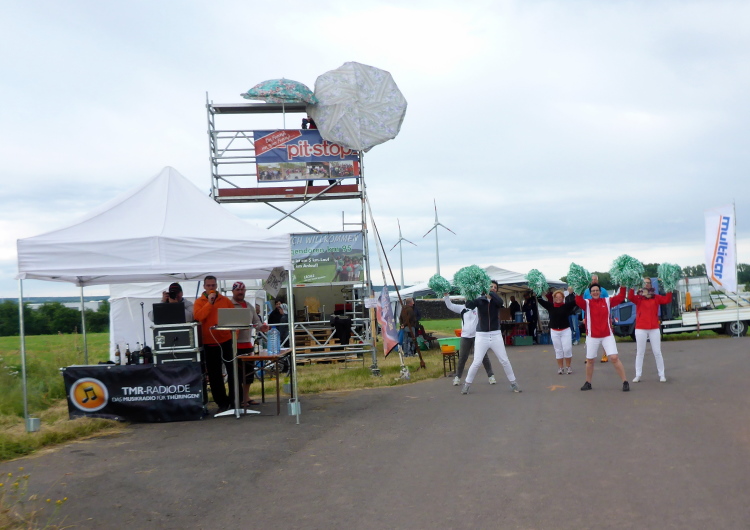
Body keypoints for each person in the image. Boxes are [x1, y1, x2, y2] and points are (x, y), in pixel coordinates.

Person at [461, 288, 521, 395]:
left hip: (495, 334)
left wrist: (491, 293)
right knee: (477, 361)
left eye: (494, 287)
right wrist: (470, 294)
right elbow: (469, 305)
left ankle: (513, 383)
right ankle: (467, 385)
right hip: (481, 335)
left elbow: (500, 303)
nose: (492, 288)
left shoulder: (496, 300)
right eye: (490, 286)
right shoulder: (480, 300)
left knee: (504, 360)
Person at [575, 284, 629, 392]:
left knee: (614, 358)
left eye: (597, 290)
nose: (595, 292)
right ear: (590, 293)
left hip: (607, 335)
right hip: (592, 336)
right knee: (590, 360)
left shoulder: (607, 301)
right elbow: (578, 300)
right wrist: (578, 287)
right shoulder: (587, 303)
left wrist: (623, 286)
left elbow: (621, 297)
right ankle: (588, 382)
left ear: (600, 292)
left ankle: (625, 382)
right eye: (593, 291)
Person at [193, 276, 235, 412]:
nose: (211, 288)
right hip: (209, 342)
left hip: (226, 340)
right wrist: (209, 303)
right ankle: (222, 403)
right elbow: (198, 317)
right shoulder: (199, 302)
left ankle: (235, 400)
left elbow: (235, 319)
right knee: (214, 374)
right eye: (208, 285)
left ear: (216, 286)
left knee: (232, 371)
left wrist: (234, 336)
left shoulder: (225, 300)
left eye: (213, 285)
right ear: (204, 287)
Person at [443, 293, 496, 386]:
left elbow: (485, 301)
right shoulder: (462, 308)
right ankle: (457, 377)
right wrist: (446, 296)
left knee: (483, 356)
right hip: (465, 336)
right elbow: (450, 306)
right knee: (462, 357)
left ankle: (491, 376)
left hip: (478, 336)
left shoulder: (478, 308)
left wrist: (477, 291)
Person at [230, 282, 269, 406]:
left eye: (242, 290)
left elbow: (256, 322)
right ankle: (237, 399)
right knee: (236, 374)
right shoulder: (229, 305)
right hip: (234, 345)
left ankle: (246, 397)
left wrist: (262, 327)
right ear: (233, 291)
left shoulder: (249, 306)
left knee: (249, 373)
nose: (240, 292)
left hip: (247, 344)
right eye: (238, 290)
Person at [629, 285, 672, 383]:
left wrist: (669, 287)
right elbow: (630, 297)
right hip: (641, 328)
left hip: (654, 328)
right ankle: (638, 375)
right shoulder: (639, 298)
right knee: (640, 352)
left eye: (648, 283)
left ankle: (662, 375)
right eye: (645, 283)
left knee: (657, 352)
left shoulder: (656, 297)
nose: (646, 285)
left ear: (651, 285)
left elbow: (667, 299)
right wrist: (632, 286)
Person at [537, 289, 578, 374]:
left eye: (560, 297)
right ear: (554, 298)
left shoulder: (566, 306)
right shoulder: (550, 306)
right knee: (558, 350)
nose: (558, 298)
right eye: (556, 297)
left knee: (567, 349)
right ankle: (560, 368)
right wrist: (538, 290)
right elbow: (540, 300)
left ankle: (568, 367)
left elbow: (576, 301)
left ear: (563, 298)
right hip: (554, 331)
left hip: (565, 330)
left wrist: (579, 292)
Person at [583, 274, 610, 362]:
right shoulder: (586, 291)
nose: (594, 281)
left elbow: (608, 304)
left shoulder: (604, 291)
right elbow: (584, 305)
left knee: (604, 336)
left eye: (595, 279)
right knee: (589, 335)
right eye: (592, 279)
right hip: (590, 317)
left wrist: (609, 316)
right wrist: (583, 317)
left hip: (602, 316)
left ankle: (604, 355)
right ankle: (589, 356)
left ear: (597, 281)